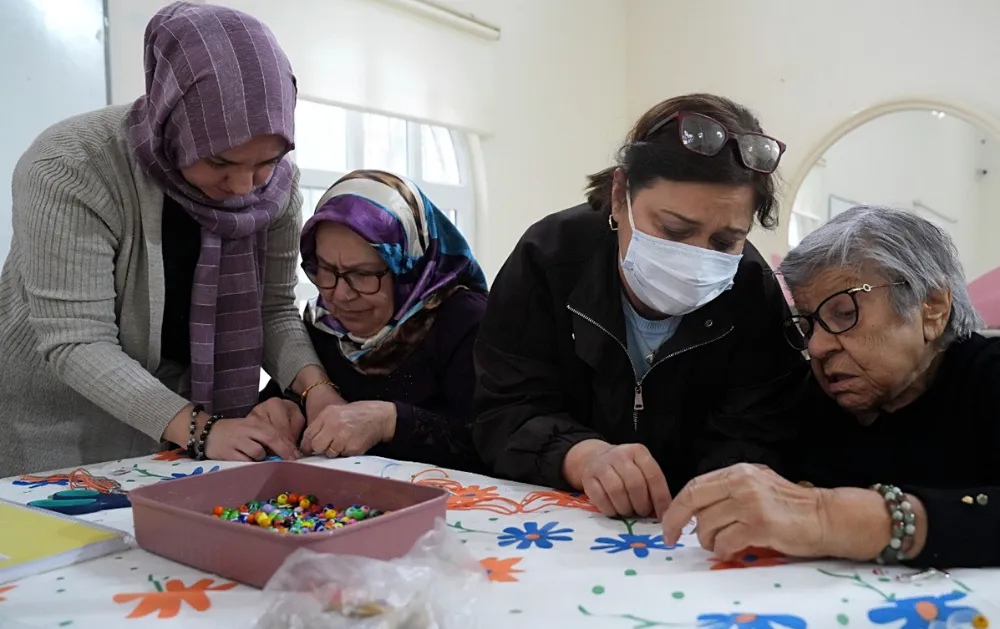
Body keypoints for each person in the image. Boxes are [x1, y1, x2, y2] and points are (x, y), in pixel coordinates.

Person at [0, 2, 344, 477]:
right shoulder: (71, 167)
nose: (245, 188)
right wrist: (202, 429)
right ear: (172, 121)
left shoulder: (277, 187)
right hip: (59, 426)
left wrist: (317, 391)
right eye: (221, 163)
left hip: (184, 423)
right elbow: (78, 341)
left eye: (267, 161)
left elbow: (274, 311)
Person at [472, 93, 808, 518]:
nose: (697, 258)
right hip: (563, 517)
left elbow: (764, 428)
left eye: (724, 242)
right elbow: (501, 409)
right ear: (619, 195)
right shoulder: (550, 258)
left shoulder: (751, 291)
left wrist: (724, 483)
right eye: (673, 230)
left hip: (689, 533)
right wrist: (581, 455)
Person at [661, 206, 1000, 568]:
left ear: (932, 307)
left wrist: (833, 518)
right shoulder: (803, 399)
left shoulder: (988, 375)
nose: (818, 347)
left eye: (844, 313)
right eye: (807, 325)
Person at [260, 170, 488, 471]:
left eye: (363, 274)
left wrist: (390, 421)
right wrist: (278, 412)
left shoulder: (465, 322)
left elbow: (495, 444)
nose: (340, 295)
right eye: (326, 270)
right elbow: (285, 400)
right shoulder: (323, 324)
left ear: (408, 268)